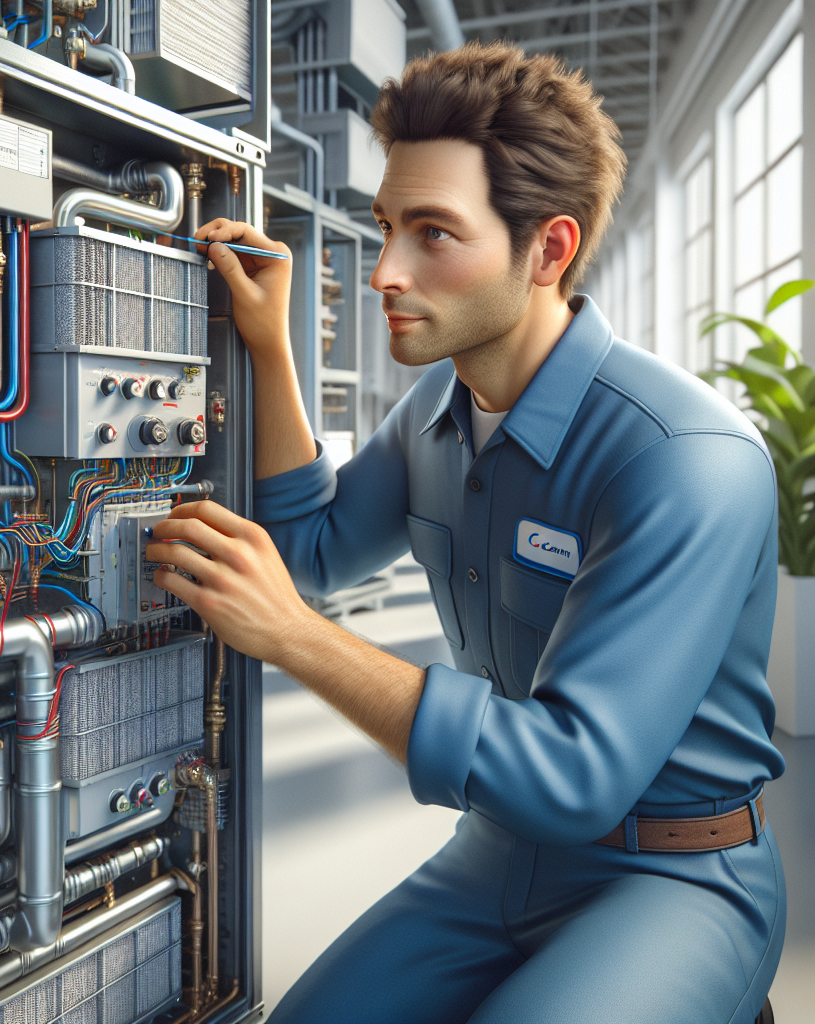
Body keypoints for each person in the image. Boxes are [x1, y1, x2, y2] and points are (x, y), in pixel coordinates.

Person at [146, 41, 786, 1024]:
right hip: (495, 853)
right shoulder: (434, 414)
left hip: (676, 876)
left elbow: (572, 776)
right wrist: (271, 349)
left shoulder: (684, 456)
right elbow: (311, 552)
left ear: (549, 249)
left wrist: (295, 638)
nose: (385, 271)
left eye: (434, 233)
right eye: (386, 227)